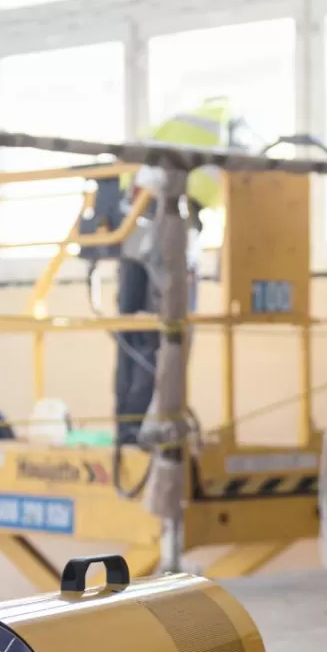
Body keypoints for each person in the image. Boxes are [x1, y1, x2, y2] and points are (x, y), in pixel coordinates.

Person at [114, 98, 238, 446]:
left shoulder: (185, 127)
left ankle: (133, 429)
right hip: (167, 219)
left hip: (151, 218)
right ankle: (142, 428)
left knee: (142, 332)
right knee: (158, 333)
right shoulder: (216, 131)